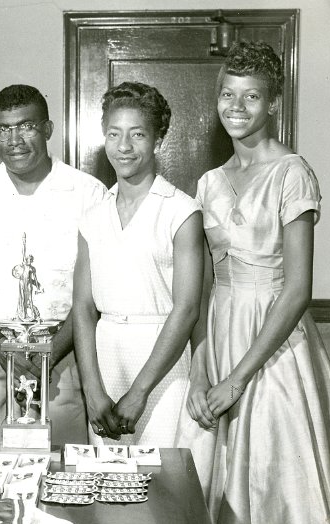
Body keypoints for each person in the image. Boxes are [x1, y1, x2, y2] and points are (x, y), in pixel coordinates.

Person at [183, 41, 330, 524]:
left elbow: (297, 289)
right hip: (221, 337)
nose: (236, 106)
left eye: (251, 96)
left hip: (274, 351)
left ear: (273, 103)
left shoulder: (292, 172)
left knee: (280, 509)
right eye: (227, 94)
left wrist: (236, 378)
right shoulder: (208, 182)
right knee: (229, 514)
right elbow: (199, 291)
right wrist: (202, 371)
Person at [0, 84, 108, 448]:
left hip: (65, 353)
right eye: (3, 129)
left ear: (48, 129)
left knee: (63, 466)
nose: (14, 140)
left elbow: (98, 289)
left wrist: (51, 353)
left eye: (26, 127)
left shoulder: (88, 193)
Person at [71, 82, 204, 447]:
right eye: (114, 134)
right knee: (107, 483)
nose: (124, 147)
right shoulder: (93, 216)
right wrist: (93, 389)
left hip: (162, 362)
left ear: (158, 141)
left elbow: (188, 308)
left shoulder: (181, 211)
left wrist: (140, 390)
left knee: (161, 484)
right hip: (106, 356)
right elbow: (83, 308)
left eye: (137, 135)